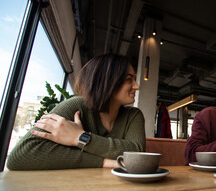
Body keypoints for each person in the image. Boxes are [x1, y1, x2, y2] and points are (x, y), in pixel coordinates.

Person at [7, 54, 145, 170]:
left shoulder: (133, 115)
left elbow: (136, 153)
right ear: (106, 81)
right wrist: (106, 162)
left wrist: (80, 138)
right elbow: (21, 156)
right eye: (129, 79)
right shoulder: (76, 106)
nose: (136, 86)